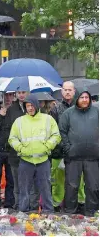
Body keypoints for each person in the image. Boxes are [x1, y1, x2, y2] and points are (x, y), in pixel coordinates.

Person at [8, 94, 61, 213]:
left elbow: (56, 135)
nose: (30, 108)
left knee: (45, 189)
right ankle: (24, 213)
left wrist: (47, 147)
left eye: (32, 105)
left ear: (36, 106)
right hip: (26, 160)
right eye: (27, 106)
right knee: (24, 190)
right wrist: (21, 149)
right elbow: (12, 138)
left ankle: (48, 213)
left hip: (43, 160)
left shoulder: (48, 119)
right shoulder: (19, 121)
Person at [59, 89, 99, 217]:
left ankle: (91, 213)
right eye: (82, 97)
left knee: (93, 187)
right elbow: (62, 131)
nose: (84, 100)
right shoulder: (68, 113)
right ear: (77, 98)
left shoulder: (96, 112)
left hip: (93, 157)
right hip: (73, 157)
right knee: (72, 186)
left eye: (87, 97)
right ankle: (70, 212)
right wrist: (68, 148)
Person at [49, 81, 85, 212]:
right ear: (61, 91)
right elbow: (53, 131)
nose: (68, 92)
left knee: (78, 181)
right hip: (59, 152)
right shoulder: (55, 110)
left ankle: (80, 204)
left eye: (70, 90)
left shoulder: (81, 108)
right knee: (57, 182)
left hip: (77, 151)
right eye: (65, 89)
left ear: (74, 91)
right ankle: (56, 205)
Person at [6, 90, 40, 210]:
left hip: (33, 155)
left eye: (23, 92)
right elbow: (8, 130)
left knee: (33, 186)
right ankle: (19, 206)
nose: (21, 95)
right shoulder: (11, 110)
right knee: (18, 184)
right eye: (18, 92)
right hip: (16, 154)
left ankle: (33, 207)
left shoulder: (36, 111)